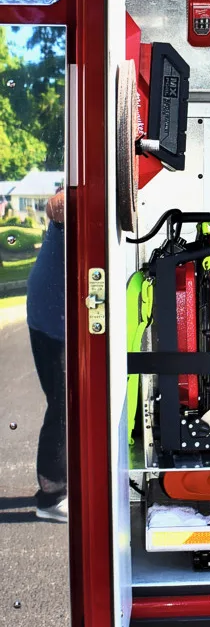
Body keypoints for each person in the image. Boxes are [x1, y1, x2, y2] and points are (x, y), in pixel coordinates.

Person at [26, 187, 67, 522]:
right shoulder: (73, 194)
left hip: (51, 313)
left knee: (66, 402)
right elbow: (58, 202)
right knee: (64, 404)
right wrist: (61, 203)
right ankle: (51, 497)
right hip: (54, 318)